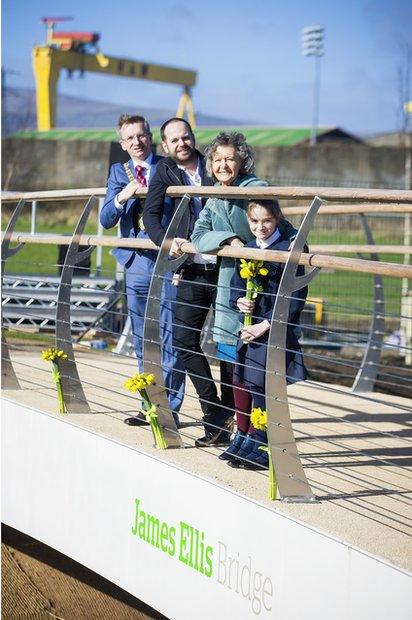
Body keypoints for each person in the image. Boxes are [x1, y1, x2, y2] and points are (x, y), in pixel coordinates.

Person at [191, 132, 297, 450]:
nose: (224, 165)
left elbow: (264, 204)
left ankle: (256, 433)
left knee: (253, 365)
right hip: (231, 282)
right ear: (210, 164)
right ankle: (237, 426)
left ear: (242, 162)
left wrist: (245, 240)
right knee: (230, 357)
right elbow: (198, 235)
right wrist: (228, 240)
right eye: (218, 159)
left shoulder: (253, 187)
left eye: (230, 159)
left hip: (259, 280)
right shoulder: (213, 197)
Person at [143, 118, 233, 447]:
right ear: (165, 146)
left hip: (228, 269)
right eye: (174, 140)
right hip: (192, 267)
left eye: (186, 137)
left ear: (193, 138)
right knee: (183, 341)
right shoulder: (165, 171)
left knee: (228, 346)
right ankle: (216, 414)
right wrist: (170, 243)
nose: (182, 143)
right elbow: (151, 216)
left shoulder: (216, 164)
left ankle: (227, 424)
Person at [100, 114, 184, 427]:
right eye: (130, 138)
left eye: (141, 135)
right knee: (141, 337)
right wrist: (123, 195)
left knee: (168, 336)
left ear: (150, 137)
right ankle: (148, 403)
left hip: (165, 261)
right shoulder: (117, 172)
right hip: (134, 263)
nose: (137, 142)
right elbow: (107, 219)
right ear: (122, 144)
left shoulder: (168, 165)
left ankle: (170, 408)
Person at [225, 199, 308, 469]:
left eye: (267, 221)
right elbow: (236, 285)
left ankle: (263, 440)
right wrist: (239, 302)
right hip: (249, 327)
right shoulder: (248, 248)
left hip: (271, 328)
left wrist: (266, 324)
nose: (260, 227)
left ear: (277, 219)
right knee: (247, 380)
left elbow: (295, 297)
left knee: (263, 384)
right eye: (254, 222)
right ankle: (251, 436)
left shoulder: (288, 248)